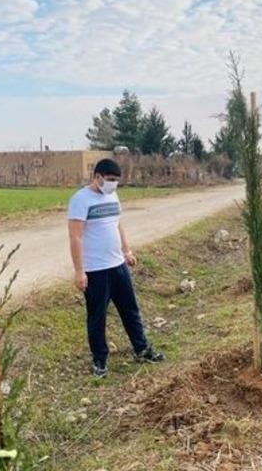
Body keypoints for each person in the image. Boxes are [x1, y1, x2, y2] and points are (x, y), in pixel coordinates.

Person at [67, 158, 164, 378]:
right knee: (97, 316)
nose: (113, 184)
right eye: (110, 180)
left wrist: (127, 251)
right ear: (97, 177)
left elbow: (117, 224)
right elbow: (75, 236)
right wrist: (79, 270)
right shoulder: (80, 200)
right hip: (95, 270)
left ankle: (141, 349)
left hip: (117, 265)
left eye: (116, 181)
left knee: (130, 310)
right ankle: (100, 360)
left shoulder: (112, 195)